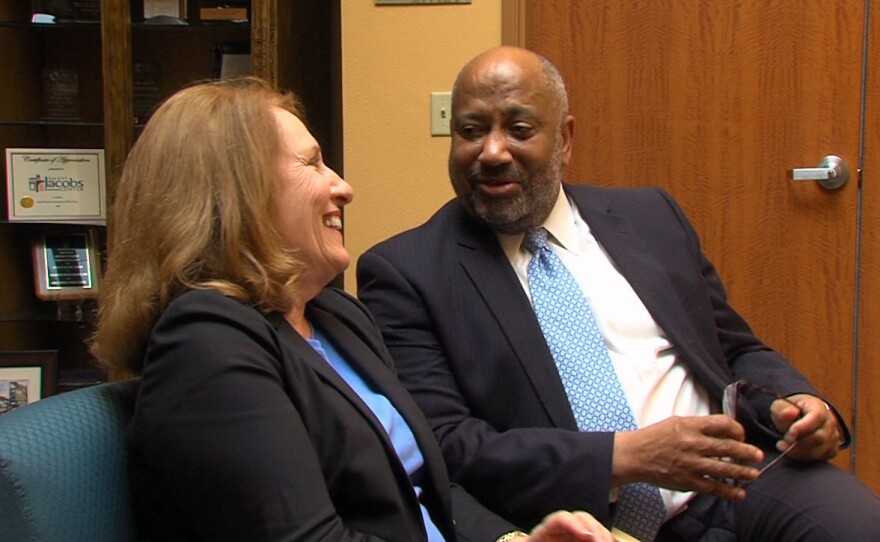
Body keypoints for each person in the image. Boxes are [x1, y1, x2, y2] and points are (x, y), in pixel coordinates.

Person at [356, 46, 880, 541]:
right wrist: (621, 456)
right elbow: (447, 443)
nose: (492, 152)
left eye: (519, 129)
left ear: (564, 138)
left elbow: (734, 349)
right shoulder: (407, 273)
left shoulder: (650, 217)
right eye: (471, 130)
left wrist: (801, 401)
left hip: (732, 482)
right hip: (577, 517)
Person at [90, 76, 612, 542]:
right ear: (237, 195)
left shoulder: (338, 317)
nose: (344, 187)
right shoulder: (204, 343)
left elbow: (431, 491)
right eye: (312, 164)